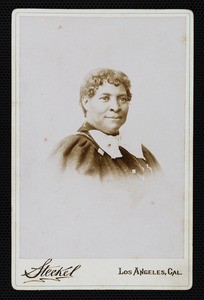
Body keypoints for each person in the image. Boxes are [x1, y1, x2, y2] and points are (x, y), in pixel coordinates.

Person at [52, 68, 160, 183]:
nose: (116, 107)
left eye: (122, 99)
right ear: (86, 102)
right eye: (105, 98)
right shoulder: (76, 151)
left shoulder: (138, 151)